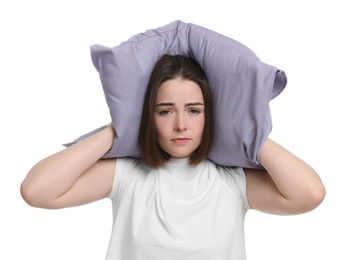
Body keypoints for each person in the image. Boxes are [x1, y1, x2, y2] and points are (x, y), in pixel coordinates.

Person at [20, 55, 326, 259]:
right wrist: (119, 129)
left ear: (210, 115)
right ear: (148, 116)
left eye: (194, 110)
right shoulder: (127, 174)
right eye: (165, 111)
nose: (181, 124)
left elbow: (309, 195)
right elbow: (36, 191)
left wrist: (245, 133)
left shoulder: (231, 180)